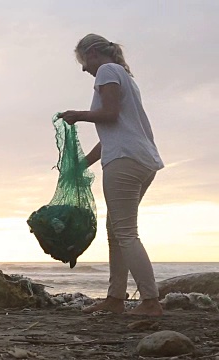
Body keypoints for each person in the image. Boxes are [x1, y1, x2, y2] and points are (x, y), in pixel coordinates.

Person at [59, 34, 164, 316]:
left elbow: (110, 114)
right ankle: (115, 299)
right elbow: (112, 132)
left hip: (125, 161)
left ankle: (151, 302)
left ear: (93, 52)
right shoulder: (123, 76)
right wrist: (81, 164)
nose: (83, 69)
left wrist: (77, 115)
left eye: (83, 60)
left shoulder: (107, 71)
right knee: (116, 231)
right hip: (139, 159)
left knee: (126, 232)